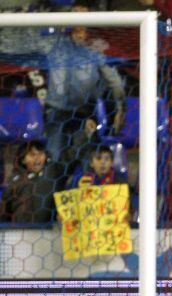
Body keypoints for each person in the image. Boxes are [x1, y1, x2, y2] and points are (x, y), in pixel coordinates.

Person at [45, 25, 126, 162]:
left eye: (82, 30)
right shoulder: (54, 45)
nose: (79, 35)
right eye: (76, 30)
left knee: (84, 158)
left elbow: (114, 80)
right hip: (55, 110)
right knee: (54, 158)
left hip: (84, 112)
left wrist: (121, 107)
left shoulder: (96, 51)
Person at [0, 141, 65, 223]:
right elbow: (4, 212)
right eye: (32, 155)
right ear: (23, 160)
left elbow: (69, 157)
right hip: (20, 231)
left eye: (40, 154)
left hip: (48, 230)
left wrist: (85, 134)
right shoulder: (14, 182)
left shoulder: (53, 172)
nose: (37, 158)